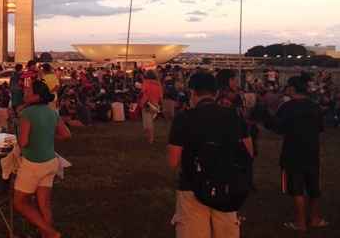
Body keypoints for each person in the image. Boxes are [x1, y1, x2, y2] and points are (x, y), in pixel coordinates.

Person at [167, 72, 253, 238]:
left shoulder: (184, 118)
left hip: (191, 186)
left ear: (192, 92)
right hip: (227, 185)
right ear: (216, 93)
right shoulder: (234, 116)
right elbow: (248, 153)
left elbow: (173, 161)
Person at [264, 75, 328, 231]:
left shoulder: (287, 107)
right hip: (312, 151)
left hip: (292, 152)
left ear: (292, 88)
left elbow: (278, 128)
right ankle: (314, 219)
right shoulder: (314, 106)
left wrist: (266, 118)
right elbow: (321, 129)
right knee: (313, 187)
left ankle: (300, 222)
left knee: (296, 188)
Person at [13, 80, 71, 238]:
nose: (25, 92)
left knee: (19, 202)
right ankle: (48, 235)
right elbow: (66, 134)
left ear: (36, 96)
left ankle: (51, 233)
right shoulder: (51, 111)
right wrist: (47, 136)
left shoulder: (27, 113)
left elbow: (23, 142)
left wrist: (18, 134)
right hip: (50, 162)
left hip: (33, 164)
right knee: (44, 204)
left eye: (28, 91)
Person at [139, 70, 163, 144]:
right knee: (150, 121)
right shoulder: (158, 84)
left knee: (148, 122)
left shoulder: (146, 82)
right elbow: (161, 95)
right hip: (155, 104)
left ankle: (150, 138)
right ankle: (149, 136)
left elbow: (142, 92)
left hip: (147, 103)